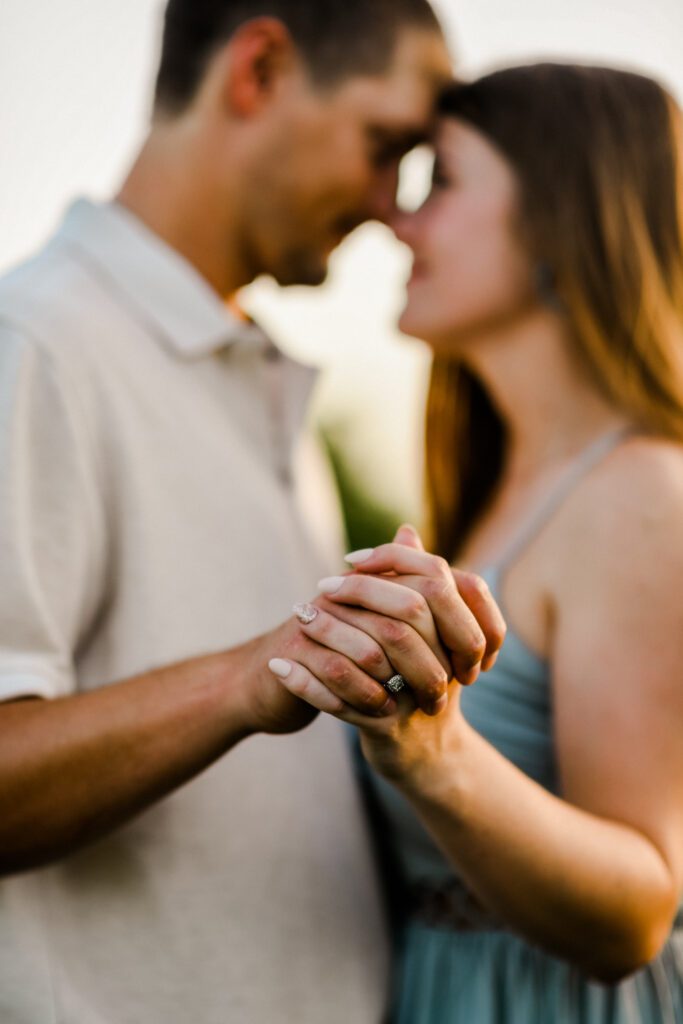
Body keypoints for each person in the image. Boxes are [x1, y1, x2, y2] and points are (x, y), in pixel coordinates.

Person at [0, 4, 507, 1022]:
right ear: (259, 68)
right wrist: (258, 671)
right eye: (384, 147)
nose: (387, 207)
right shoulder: (36, 348)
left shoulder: (255, 374)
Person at [280, 64, 683, 1021]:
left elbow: (637, 909)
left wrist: (432, 754)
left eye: (440, 183)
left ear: (556, 217)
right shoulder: (495, 495)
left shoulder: (639, 498)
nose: (396, 222)